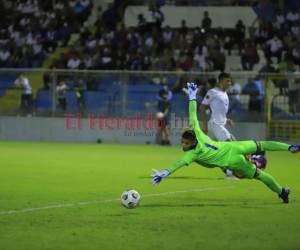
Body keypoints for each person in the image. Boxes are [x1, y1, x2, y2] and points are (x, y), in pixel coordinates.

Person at [151, 82, 300, 203]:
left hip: (233, 160)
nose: (182, 145)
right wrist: (191, 96)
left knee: (259, 174)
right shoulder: (197, 133)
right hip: (235, 146)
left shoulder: (193, 153)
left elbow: (178, 164)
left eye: (184, 143)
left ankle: (281, 191)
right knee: (262, 145)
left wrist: (164, 173)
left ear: (191, 143)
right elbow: (192, 114)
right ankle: (290, 148)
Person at [199, 72, 236, 178]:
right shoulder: (212, 92)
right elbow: (202, 109)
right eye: (227, 81)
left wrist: (227, 119)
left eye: (230, 81)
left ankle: (229, 172)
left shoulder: (225, 93)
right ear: (220, 81)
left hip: (220, 125)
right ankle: (232, 172)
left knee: (218, 151)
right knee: (231, 144)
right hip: (215, 125)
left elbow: (219, 111)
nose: (230, 83)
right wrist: (204, 126)